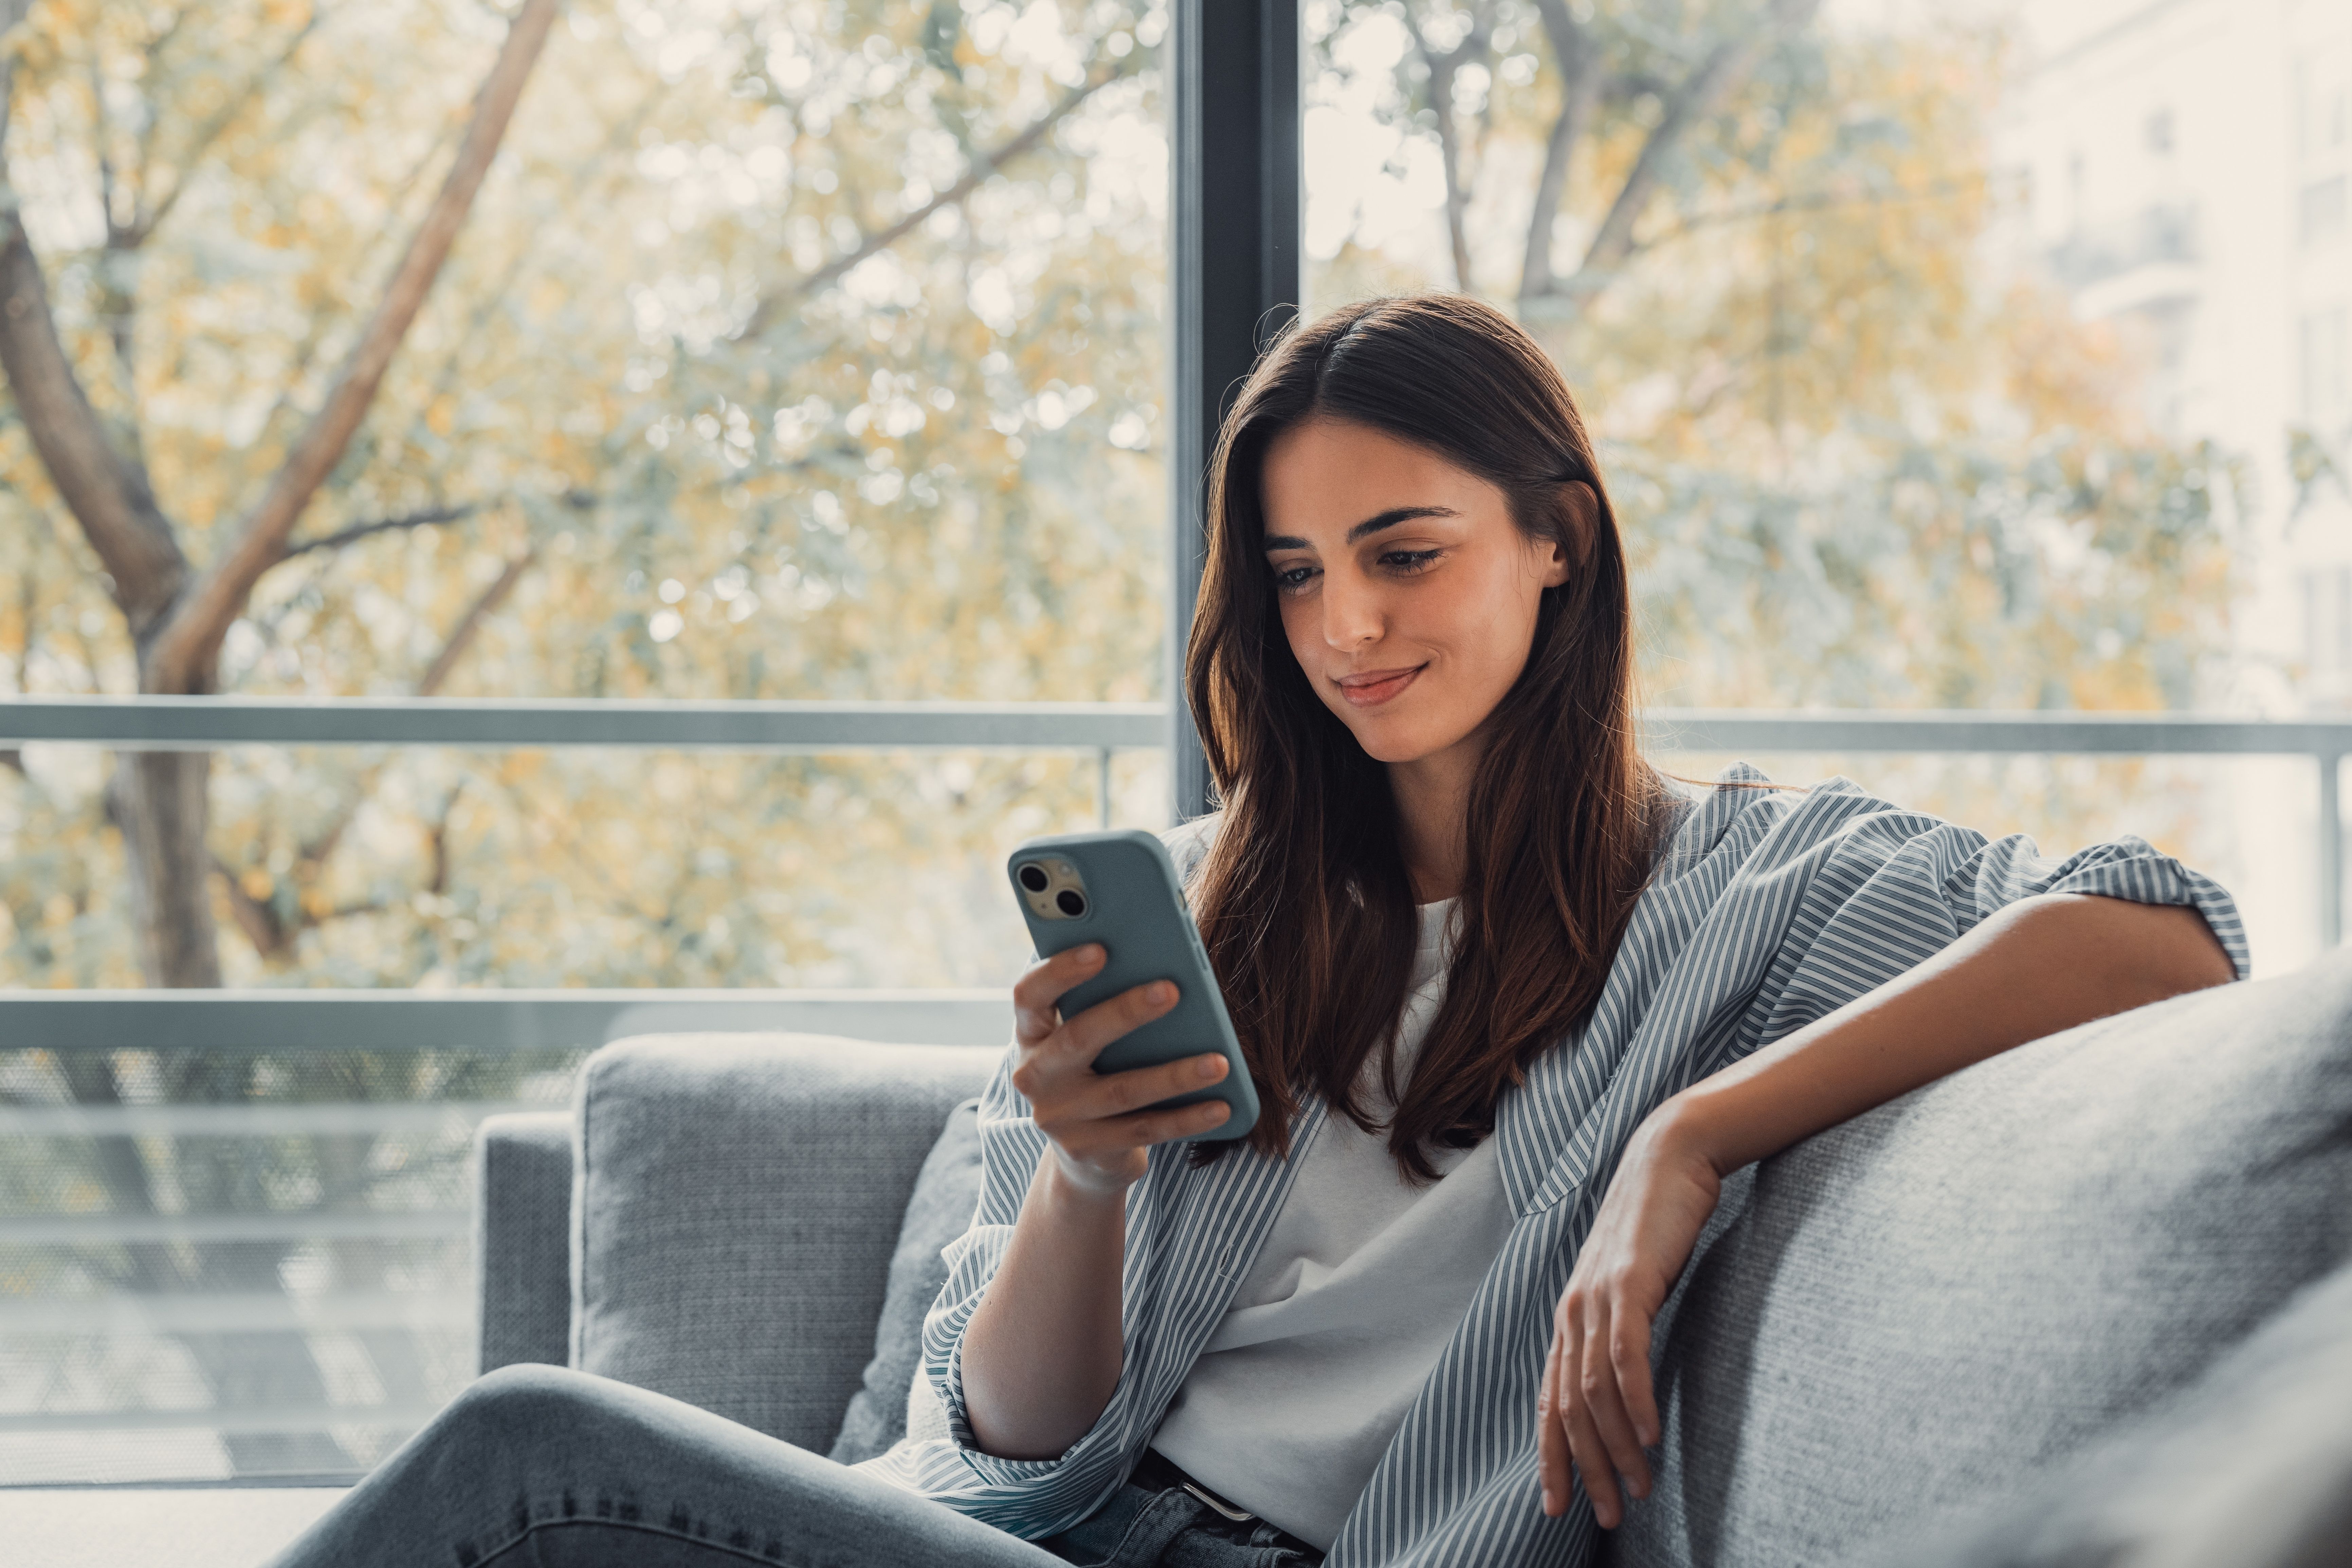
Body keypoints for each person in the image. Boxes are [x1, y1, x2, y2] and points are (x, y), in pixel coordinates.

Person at [266, 295, 2244, 1568]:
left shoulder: (1745, 891)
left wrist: (1686, 1139)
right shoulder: (1221, 895)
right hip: (1044, 1537)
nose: (1349, 630)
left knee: (527, 1460)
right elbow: (1018, 1446)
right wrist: (1082, 1176)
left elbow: (2165, 929)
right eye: (1296, 576)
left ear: (1561, 538)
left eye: (1407, 552)